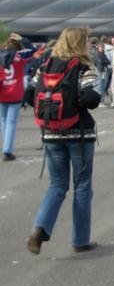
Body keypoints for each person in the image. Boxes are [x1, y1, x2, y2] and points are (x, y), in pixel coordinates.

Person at [24, 26, 101, 255]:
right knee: (82, 186)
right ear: (81, 42)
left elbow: (29, 94)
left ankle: (40, 227)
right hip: (79, 135)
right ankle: (80, 239)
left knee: (57, 185)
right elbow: (90, 99)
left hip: (50, 134)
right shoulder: (84, 67)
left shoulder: (46, 65)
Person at [0, 33, 35, 161]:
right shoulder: (20, 56)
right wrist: (23, 40)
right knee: (11, 123)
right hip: (15, 92)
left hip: (2, 92)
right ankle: (7, 149)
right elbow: (33, 51)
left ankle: (6, 145)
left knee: (3, 121)